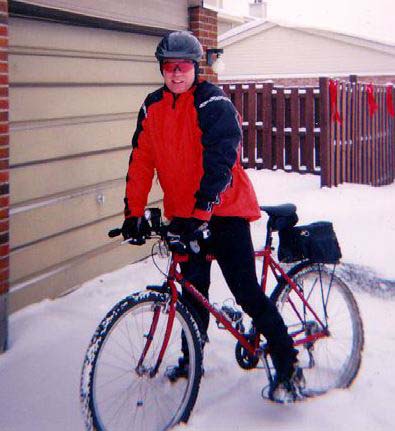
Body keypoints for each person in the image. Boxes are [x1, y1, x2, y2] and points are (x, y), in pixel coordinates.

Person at [121, 31, 301, 402]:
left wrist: (202, 211)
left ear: (195, 68)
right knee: (192, 292)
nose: (176, 74)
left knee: (247, 293)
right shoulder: (152, 106)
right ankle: (193, 356)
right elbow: (141, 160)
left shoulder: (212, 102)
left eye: (183, 66)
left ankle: (287, 361)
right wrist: (134, 213)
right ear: (162, 69)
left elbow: (221, 161)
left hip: (225, 211)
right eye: (169, 67)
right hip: (185, 217)